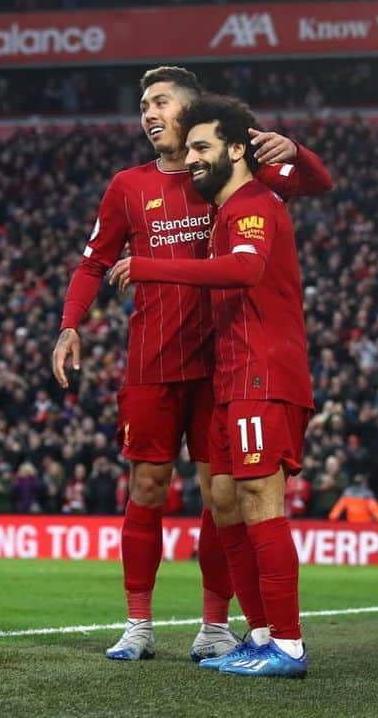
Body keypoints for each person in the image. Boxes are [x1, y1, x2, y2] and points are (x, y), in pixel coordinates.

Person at [52, 66, 332, 662]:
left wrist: (297, 150)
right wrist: (69, 324)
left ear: (192, 110)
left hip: (226, 366)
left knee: (225, 496)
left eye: (160, 102)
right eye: (142, 105)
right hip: (153, 360)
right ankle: (139, 624)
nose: (148, 113)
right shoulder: (129, 185)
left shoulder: (234, 176)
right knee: (148, 486)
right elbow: (93, 262)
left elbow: (316, 181)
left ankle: (217, 626)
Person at [110, 94, 314, 677]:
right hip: (234, 377)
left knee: (261, 504)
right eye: (190, 147)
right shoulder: (227, 210)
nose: (192, 158)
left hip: (261, 373)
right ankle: (264, 635)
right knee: (233, 502)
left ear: (236, 148)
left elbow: (245, 270)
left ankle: (287, 645)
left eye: (202, 148)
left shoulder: (252, 203)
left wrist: (149, 264)